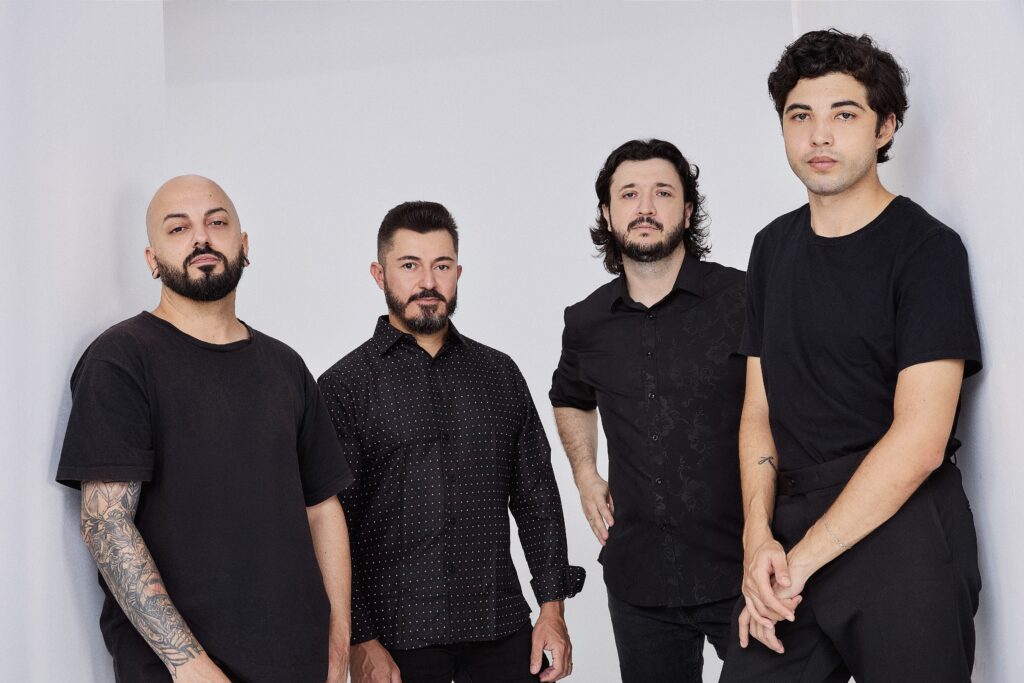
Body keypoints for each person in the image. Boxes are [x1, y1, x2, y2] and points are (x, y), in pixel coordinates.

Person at [720, 29, 982, 682]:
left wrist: (801, 561)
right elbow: (758, 408)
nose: (819, 136)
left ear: (885, 126)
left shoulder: (926, 250)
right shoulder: (771, 248)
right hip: (790, 525)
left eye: (845, 114)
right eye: (800, 116)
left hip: (904, 529)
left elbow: (921, 438)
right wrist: (759, 540)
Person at [57, 175, 354, 682]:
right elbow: (106, 524)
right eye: (178, 228)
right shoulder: (121, 359)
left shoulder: (286, 366)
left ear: (243, 244)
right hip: (184, 673)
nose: (201, 237)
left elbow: (323, 508)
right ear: (151, 260)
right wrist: (189, 665)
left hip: (299, 665)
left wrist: (338, 642)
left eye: (217, 222)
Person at [318, 201, 584, 683]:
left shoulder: (500, 375)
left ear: (458, 271)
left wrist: (552, 611)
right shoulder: (344, 388)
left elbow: (537, 499)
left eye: (441, 266)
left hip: (501, 631)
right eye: (409, 265)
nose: (428, 282)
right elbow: (329, 524)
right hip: (398, 644)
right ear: (379, 274)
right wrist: (360, 639)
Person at [549, 139, 746, 682]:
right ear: (608, 214)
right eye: (629, 194)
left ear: (686, 211)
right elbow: (569, 396)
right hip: (640, 581)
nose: (645, 207)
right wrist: (586, 472)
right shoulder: (586, 321)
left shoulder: (743, 298)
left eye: (662, 192)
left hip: (743, 570)